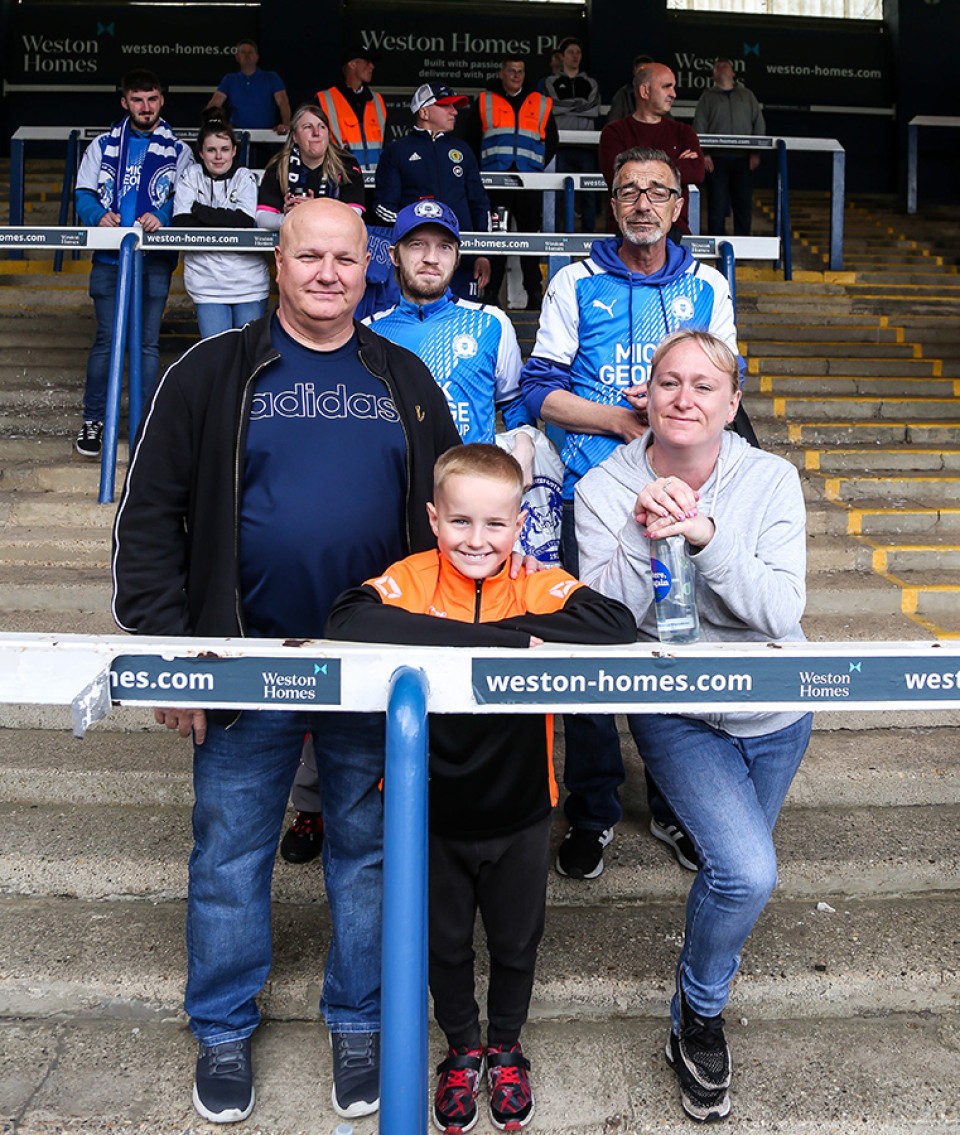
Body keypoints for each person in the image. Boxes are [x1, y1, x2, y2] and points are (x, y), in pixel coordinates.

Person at [111, 198, 461, 1125]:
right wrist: (171, 657)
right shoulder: (210, 372)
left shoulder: (407, 379)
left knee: (370, 857)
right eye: (310, 256)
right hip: (242, 658)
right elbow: (149, 520)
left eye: (346, 259)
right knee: (229, 855)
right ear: (279, 263)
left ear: (368, 267)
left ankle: (360, 1018)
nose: (328, 273)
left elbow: (454, 527)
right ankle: (222, 1029)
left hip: (374, 668)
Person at [326, 443, 636, 1133]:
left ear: (520, 522)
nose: (476, 539)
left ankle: (505, 1046)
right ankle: (462, 1050)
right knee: (444, 945)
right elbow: (347, 619)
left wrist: (502, 626)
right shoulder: (412, 577)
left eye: (495, 524)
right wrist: (497, 645)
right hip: (429, 811)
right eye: (460, 522)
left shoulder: (534, 580)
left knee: (517, 940)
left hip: (522, 810)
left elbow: (613, 625)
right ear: (434, 519)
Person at [574, 329, 811, 1123]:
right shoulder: (604, 484)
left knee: (731, 876)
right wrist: (649, 536)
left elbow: (781, 611)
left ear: (732, 402)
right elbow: (602, 621)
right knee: (747, 871)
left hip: (776, 707)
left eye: (704, 386)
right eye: (668, 382)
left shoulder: (771, 478)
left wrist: (704, 538)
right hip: (676, 706)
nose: (684, 398)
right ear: (644, 394)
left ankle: (692, 1000)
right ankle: (700, 1014)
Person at [279, 199, 561, 865]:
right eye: (415, 245)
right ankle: (315, 805)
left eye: (442, 245)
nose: (430, 257)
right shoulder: (369, 329)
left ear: (460, 258)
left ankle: (461, 805)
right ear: (393, 255)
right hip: (400, 522)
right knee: (354, 657)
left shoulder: (490, 323)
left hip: (476, 534)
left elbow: (515, 415)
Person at [519, 146, 746, 882]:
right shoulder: (574, 281)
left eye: (657, 191)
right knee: (589, 656)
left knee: (675, 646)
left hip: (684, 499)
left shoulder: (709, 283)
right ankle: (592, 807)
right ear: (610, 205)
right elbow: (538, 394)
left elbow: (724, 388)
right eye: (627, 192)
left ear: (680, 205)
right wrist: (620, 423)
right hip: (596, 495)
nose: (642, 203)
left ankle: (678, 803)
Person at [73, 69, 191, 458]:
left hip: (155, 260)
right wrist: (96, 216)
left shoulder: (179, 150)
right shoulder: (103, 144)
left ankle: (143, 424)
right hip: (109, 257)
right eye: (137, 100)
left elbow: (185, 198)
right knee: (108, 341)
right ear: (125, 102)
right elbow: (84, 193)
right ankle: (94, 421)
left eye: (152, 99)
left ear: (162, 101)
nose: (145, 107)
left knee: (146, 345)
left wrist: (165, 215)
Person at [372, 83, 491, 301]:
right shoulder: (397, 151)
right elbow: (383, 207)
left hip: (461, 256)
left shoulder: (463, 150)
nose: (454, 112)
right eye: (446, 106)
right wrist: (413, 226)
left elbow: (479, 202)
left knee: (462, 321)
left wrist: (482, 253)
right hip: (417, 259)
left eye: (455, 107)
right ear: (424, 111)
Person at [461, 54, 558, 309]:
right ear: (501, 73)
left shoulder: (541, 102)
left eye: (520, 71)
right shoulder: (484, 101)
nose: (516, 75)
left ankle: (534, 296)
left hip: (529, 181)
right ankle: (491, 295)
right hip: (495, 181)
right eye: (511, 70)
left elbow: (552, 142)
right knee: (496, 239)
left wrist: (535, 165)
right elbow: (470, 139)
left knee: (530, 240)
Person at [172, 112, 269, 338]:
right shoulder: (191, 175)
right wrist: (224, 218)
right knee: (218, 358)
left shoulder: (245, 177)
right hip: (206, 283)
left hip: (249, 282)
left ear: (234, 151)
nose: (218, 156)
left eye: (225, 149)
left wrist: (199, 210)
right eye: (211, 150)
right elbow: (181, 222)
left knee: (250, 356)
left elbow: (244, 221)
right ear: (201, 152)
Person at [599, 63, 705, 237]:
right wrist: (675, 165)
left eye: (674, 87)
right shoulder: (614, 132)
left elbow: (697, 171)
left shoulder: (684, 132)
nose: (673, 94)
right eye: (666, 87)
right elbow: (618, 177)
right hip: (626, 231)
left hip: (673, 231)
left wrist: (636, 169)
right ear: (644, 91)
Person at [256, 103, 365, 229]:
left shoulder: (347, 164)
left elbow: (354, 216)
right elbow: (262, 218)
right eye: (308, 127)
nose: (316, 132)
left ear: (328, 134)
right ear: (295, 137)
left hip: (334, 242)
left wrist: (314, 210)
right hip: (293, 242)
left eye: (322, 127)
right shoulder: (279, 166)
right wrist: (290, 216)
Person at [693, 58, 766, 237]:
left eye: (726, 65)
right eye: (718, 66)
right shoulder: (707, 97)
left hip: (743, 160)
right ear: (713, 74)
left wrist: (756, 151)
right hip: (716, 160)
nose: (722, 67)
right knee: (716, 205)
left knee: (743, 204)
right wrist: (705, 154)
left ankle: (744, 246)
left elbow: (758, 124)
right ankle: (716, 245)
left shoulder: (747, 95)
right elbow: (699, 126)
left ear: (734, 73)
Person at [544, 37, 602, 232]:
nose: (575, 56)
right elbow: (552, 107)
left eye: (578, 52)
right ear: (562, 56)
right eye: (571, 52)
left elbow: (594, 109)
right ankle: (557, 240)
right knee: (557, 196)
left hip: (586, 147)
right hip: (560, 146)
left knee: (588, 195)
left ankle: (588, 241)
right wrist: (579, 104)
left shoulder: (590, 82)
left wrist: (567, 106)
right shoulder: (551, 82)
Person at [316, 47, 388, 169]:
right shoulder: (324, 99)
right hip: (341, 180)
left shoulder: (377, 100)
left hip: (376, 181)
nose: (372, 66)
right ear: (352, 64)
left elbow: (387, 144)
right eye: (367, 62)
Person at [205, 39, 290, 135]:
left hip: (266, 136)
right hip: (237, 137)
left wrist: (286, 125)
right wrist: (209, 127)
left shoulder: (271, 78)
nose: (247, 55)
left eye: (250, 52)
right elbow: (215, 103)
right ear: (237, 57)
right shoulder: (230, 79)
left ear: (257, 57)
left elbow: (283, 102)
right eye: (243, 52)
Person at [606, 54, 653, 125]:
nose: (643, 75)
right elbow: (613, 122)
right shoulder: (623, 94)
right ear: (634, 71)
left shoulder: (657, 94)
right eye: (640, 70)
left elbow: (667, 121)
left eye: (647, 71)